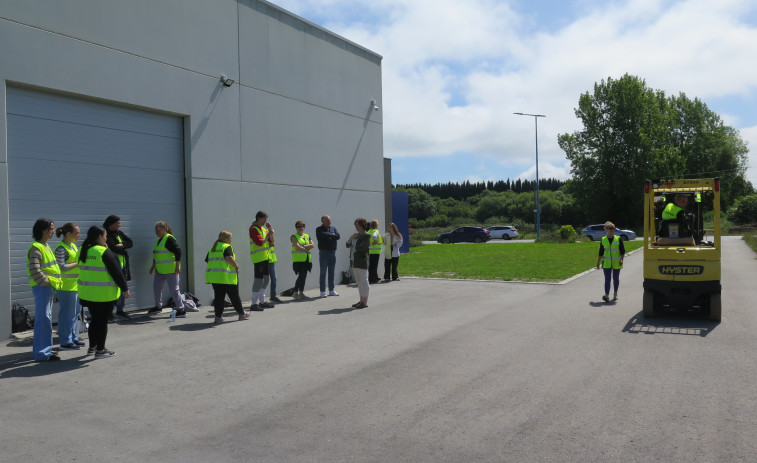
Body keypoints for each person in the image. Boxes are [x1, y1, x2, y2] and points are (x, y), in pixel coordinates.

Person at [78, 225, 129, 359]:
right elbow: (117, 272)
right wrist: (125, 288)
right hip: (104, 294)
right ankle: (100, 351)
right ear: (100, 237)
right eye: (105, 236)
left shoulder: (83, 251)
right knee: (101, 322)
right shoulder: (104, 252)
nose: (106, 238)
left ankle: (92, 347)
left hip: (87, 293)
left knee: (94, 320)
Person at [28, 218, 63, 361]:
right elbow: (34, 270)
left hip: (48, 288)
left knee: (45, 319)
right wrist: (46, 282)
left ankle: (45, 351)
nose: (53, 232)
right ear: (43, 230)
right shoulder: (36, 247)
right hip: (43, 288)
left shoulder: (45, 246)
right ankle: (42, 353)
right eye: (51, 229)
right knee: (43, 320)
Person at [205, 231, 249, 324]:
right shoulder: (226, 247)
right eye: (230, 238)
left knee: (219, 297)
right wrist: (236, 266)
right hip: (227, 277)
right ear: (227, 239)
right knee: (234, 296)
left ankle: (218, 317)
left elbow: (208, 260)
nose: (231, 240)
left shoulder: (212, 248)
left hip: (215, 277)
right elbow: (228, 258)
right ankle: (241, 314)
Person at [54, 222, 85, 351]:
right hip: (66, 287)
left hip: (75, 286)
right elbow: (61, 267)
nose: (79, 235)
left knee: (75, 314)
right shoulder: (61, 248)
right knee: (67, 315)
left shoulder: (73, 246)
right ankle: (65, 342)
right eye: (76, 233)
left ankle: (72, 338)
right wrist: (77, 263)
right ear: (68, 234)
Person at [149, 221, 185, 318]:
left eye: (158, 229)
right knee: (156, 288)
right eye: (155, 229)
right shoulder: (158, 240)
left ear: (165, 229)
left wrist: (177, 266)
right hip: (160, 270)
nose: (156, 231)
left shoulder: (169, 239)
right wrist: (153, 266)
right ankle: (158, 306)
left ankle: (181, 309)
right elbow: (157, 255)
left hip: (171, 270)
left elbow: (178, 252)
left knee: (174, 290)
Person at [103, 215, 133, 321]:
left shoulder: (119, 233)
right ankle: (109, 313)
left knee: (122, 288)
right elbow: (112, 247)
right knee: (111, 289)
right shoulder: (106, 233)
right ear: (111, 224)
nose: (120, 225)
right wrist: (121, 247)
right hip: (112, 266)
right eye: (118, 223)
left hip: (122, 266)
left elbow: (130, 243)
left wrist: (122, 245)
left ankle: (120, 311)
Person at [249, 211, 274, 311]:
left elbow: (272, 242)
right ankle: (254, 303)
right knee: (258, 280)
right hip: (258, 258)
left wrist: (269, 230)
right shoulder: (253, 229)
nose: (265, 221)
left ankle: (262, 301)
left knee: (266, 279)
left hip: (265, 257)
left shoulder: (263, 229)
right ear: (259, 218)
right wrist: (268, 236)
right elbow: (259, 242)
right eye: (264, 219)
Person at [596, 221, 625, 302]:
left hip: (617, 262)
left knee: (616, 278)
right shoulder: (603, 239)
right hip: (606, 262)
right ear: (606, 229)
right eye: (610, 228)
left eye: (613, 228)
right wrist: (598, 262)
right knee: (607, 279)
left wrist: (622, 259)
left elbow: (622, 251)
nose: (612, 230)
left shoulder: (618, 239)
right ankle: (607, 295)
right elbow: (601, 252)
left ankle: (615, 294)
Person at [348, 218, 371, 308]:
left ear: (362, 225)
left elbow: (362, 247)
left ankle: (365, 302)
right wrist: (351, 238)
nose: (356, 227)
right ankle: (361, 300)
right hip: (354, 261)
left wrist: (352, 247)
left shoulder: (366, 235)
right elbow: (347, 244)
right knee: (359, 282)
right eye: (355, 225)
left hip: (362, 261)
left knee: (364, 282)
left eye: (357, 225)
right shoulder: (356, 235)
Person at [315, 215, 340, 297]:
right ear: (323, 221)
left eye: (330, 220)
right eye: (327, 220)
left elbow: (338, 236)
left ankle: (331, 290)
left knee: (331, 272)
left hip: (333, 253)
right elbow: (321, 236)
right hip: (324, 253)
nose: (329, 222)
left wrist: (328, 235)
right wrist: (331, 235)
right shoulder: (319, 229)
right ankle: (322, 291)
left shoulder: (333, 228)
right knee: (323, 272)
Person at [291, 221, 314, 299]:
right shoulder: (294, 236)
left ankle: (301, 293)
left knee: (304, 276)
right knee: (301, 276)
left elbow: (312, 245)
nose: (300, 227)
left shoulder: (307, 236)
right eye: (298, 226)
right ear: (296, 228)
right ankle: (295, 292)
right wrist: (307, 247)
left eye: (301, 226)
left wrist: (303, 247)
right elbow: (297, 247)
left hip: (307, 260)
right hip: (298, 260)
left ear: (304, 227)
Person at [367, 219, 383, 284]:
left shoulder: (369, 231)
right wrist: (375, 240)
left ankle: (374, 277)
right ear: (376, 225)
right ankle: (373, 279)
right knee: (374, 266)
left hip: (370, 251)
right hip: (376, 251)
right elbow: (374, 236)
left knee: (371, 265)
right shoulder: (376, 231)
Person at [268, 236, 282, 303]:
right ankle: (260, 299)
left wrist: (271, 234)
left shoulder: (267, 232)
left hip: (271, 260)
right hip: (264, 260)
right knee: (263, 280)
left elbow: (273, 242)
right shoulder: (262, 233)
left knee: (274, 278)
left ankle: (273, 297)